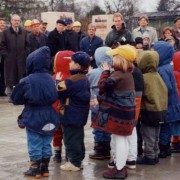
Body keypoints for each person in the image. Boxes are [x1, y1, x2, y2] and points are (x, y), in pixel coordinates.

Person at [10, 46, 60, 178]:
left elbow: (16, 99)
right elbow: (55, 95)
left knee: (34, 141)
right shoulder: (50, 78)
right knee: (46, 140)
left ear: (31, 63)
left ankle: (34, 168)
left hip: (34, 115)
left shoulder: (27, 80)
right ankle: (45, 168)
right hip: (50, 114)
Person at [92, 45, 137, 179]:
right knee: (121, 139)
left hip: (119, 114)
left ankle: (119, 169)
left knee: (121, 140)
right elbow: (112, 93)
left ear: (120, 60)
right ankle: (119, 166)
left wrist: (105, 72)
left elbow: (102, 85)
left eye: (114, 57)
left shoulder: (118, 75)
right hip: (125, 113)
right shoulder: (127, 73)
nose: (111, 60)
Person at [57, 52, 90, 171]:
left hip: (71, 115)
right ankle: (77, 160)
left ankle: (74, 163)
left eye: (72, 62)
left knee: (71, 139)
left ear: (77, 65)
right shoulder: (83, 78)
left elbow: (59, 90)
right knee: (78, 138)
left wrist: (57, 81)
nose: (69, 63)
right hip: (79, 115)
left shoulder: (73, 80)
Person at [136, 50, 168, 165]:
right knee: (155, 134)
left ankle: (149, 156)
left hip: (149, 110)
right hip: (160, 110)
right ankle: (155, 154)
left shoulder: (144, 78)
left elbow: (144, 94)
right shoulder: (157, 75)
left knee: (148, 134)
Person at [153, 41, 180, 158]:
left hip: (167, 104)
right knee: (166, 126)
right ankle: (166, 147)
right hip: (170, 103)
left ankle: (163, 148)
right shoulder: (167, 67)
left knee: (165, 126)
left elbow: (167, 87)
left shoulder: (162, 69)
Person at [87, 47, 112, 160]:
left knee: (97, 127)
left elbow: (87, 83)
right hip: (109, 105)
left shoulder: (93, 73)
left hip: (95, 106)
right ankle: (107, 148)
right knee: (107, 126)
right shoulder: (113, 72)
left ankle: (99, 149)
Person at [52, 50, 75, 163]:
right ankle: (68, 154)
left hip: (55, 110)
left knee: (56, 132)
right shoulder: (74, 78)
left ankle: (57, 153)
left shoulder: (53, 77)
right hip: (69, 111)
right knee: (68, 133)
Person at [0, 14, 29, 97]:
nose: (17, 22)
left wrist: (25, 54)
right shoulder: (5, 33)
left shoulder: (24, 32)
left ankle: (20, 95)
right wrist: (6, 55)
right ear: (11, 21)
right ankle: (10, 94)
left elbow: (27, 45)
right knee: (10, 78)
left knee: (21, 77)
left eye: (18, 20)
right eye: (15, 20)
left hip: (21, 59)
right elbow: (2, 46)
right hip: (10, 60)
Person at [0, 18, 6, 96]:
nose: (2, 24)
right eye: (0, 23)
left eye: (3, 23)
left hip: (4, 57)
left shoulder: (6, 33)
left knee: (4, 74)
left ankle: (2, 90)